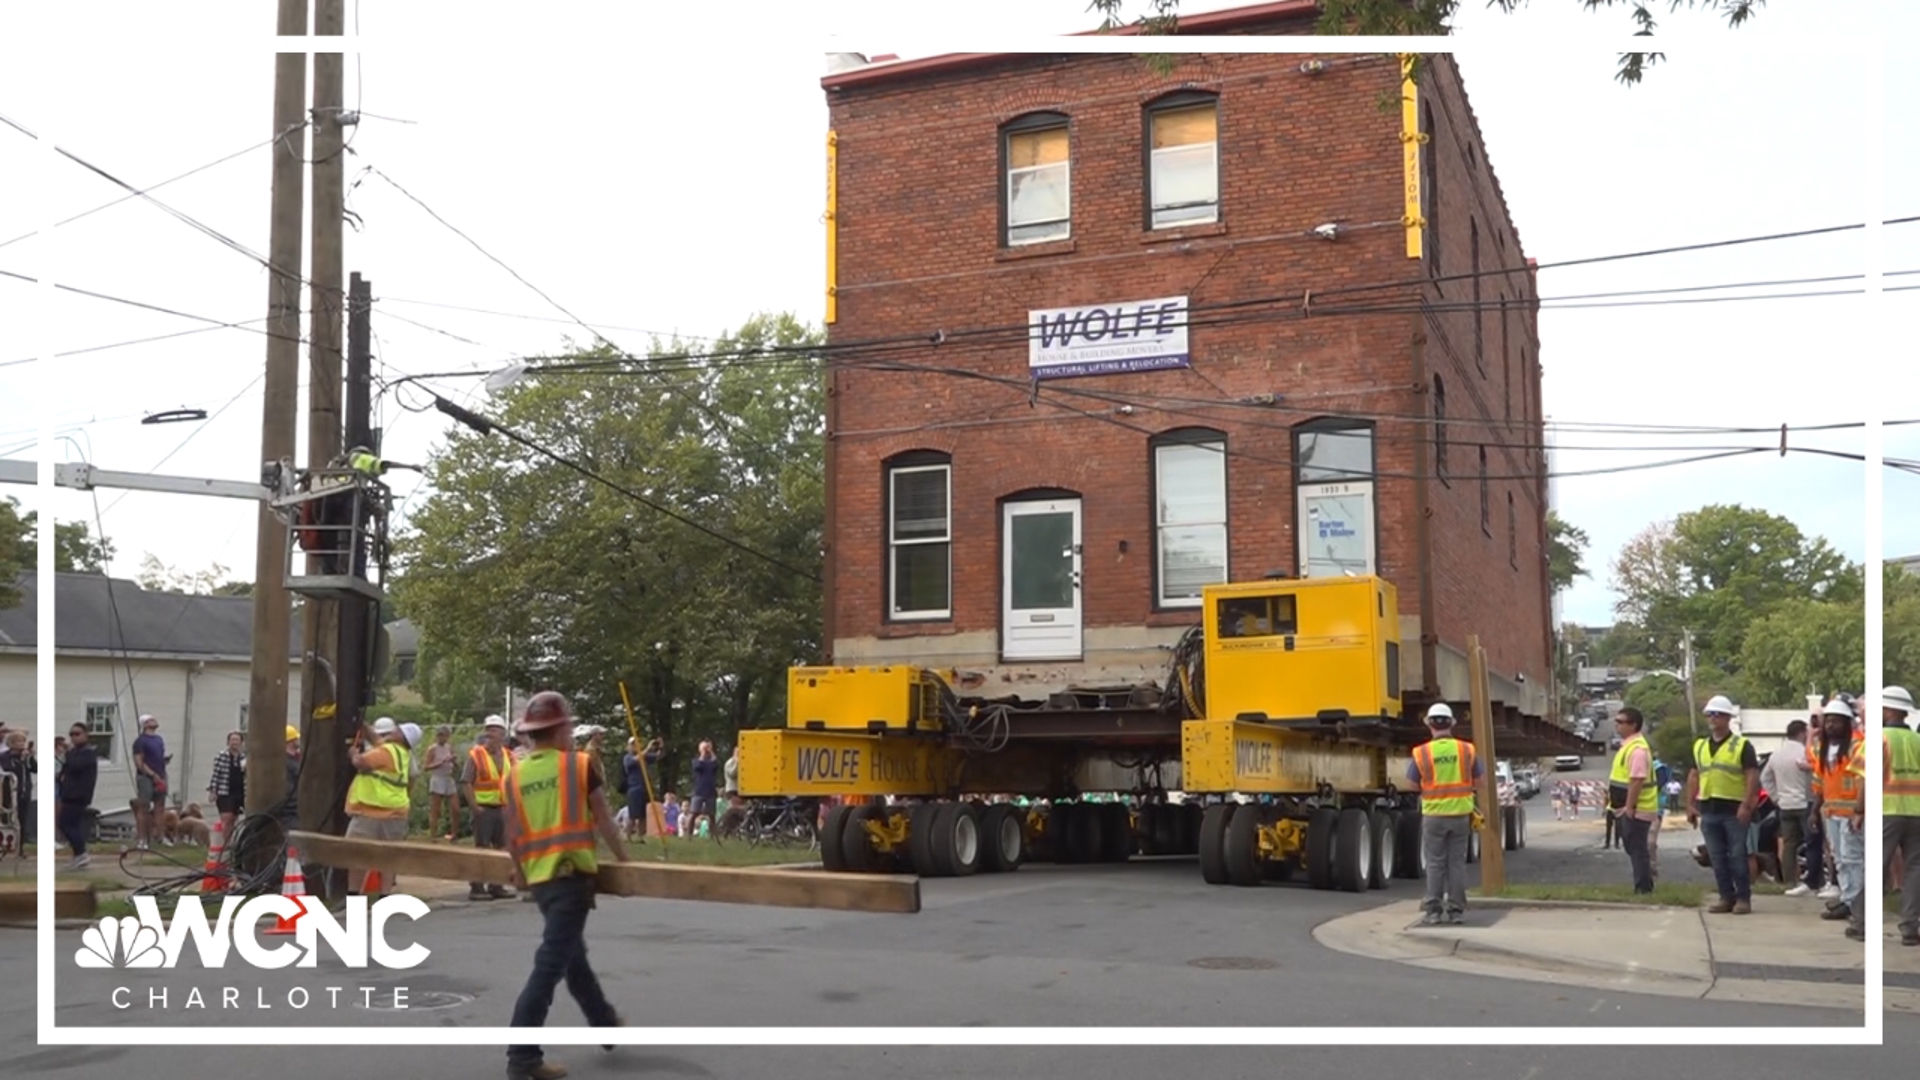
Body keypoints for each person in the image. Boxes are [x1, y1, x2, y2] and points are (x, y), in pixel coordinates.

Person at [502, 690, 630, 1080]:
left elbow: (512, 834)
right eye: (568, 727)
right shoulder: (580, 766)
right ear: (558, 730)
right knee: (550, 966)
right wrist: (627, 864)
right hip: (572, 878)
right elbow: (605, 819)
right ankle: (522, 1057)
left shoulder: (514, 773)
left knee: (573, 958)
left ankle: (604, 1023)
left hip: (541, 881)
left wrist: (521, 871)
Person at [1685, 694, 1759, 915]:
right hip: (1709, 808)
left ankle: (1743, 898)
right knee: (1717, 857)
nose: (1712, 718)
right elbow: (1693, 776)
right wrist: (1689, 804)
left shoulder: (1742, 745)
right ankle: (1726, 897)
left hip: (1733, 809)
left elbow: (1752, 775)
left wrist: (1747, 804)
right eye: (1710, 714)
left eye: (1717, 715)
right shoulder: (1699, 746)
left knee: (1737, 855)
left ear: (1728, 718)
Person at [1407, 703, 1481, 926]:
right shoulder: (1466, 750)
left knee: (1435, 863)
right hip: (1460, 815)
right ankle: (1456, 910)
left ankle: (1433, 912)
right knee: (1456, 863)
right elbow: (1481, 781)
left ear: (1430, 724)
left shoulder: (1421, 753)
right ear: (1452, 724)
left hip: (1434, 816)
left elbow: (1411, 784)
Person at [1809, 697, 1864, 928]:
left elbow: (1863, 779)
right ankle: (1848, 898)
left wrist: (1860, 810)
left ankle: (1856, 903)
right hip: (1831, 811)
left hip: (1853, 812)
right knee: (1839, 859)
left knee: (1854, 859)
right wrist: (1814, 811)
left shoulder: (1857, 745)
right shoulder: (1822, 748)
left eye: (1836, 721)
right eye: (1828, 721)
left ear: (1847, 723)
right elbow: (1820, 782)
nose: (1831, 725)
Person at [343, 717, 412, 896]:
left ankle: (353, 895)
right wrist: (363, 725)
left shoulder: (387, 751)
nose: (392, 732)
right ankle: (385, 895)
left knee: (356, 854)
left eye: (396, 730)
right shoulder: (401, 753)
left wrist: (353, 754)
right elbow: (376, 740)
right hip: (396, 812)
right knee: (388, 857)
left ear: (401, 737)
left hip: (372, 811)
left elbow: (361, 763)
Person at [460, 715, 517, 902]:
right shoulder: (476, 755)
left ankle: (496, 884)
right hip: (483, 809)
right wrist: (474, 807)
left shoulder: (509, 756)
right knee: (481, 848)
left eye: (494, 731)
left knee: (502, 848)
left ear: (502, 734)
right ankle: (477, 887)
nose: (489, 734)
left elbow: (515, 781)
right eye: (488, 730)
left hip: (503, 808)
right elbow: (466, 782)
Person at [1761, 718, 1817, 897]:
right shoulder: (1806, 753)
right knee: (1811, 842)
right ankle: (1814, 881)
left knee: (1789, 844)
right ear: (1802, 733)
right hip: (1805, 803)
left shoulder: (1776, 755)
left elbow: (1765, 778)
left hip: (1785, 805)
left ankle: (1789, 881)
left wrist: (1776, 797)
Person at [1883, 686, 1920, 946]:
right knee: (1914, 869)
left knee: (1875, 866)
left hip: (1886, 810)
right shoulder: (1917, 739)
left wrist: (1860, 810)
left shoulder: (1880, 738)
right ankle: (1909, 925)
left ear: (1890, 710)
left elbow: (1866, 778)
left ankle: (1862, 920)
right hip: (1916, 811)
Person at [1610, 707, 1659, 894]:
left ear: (1634, 725)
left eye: (1621, 722)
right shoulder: (1628, 746)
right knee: (1634, 848)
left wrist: (1629, 807)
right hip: (1628, 807)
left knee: (1638, 849)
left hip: (1637, 809)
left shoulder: (1637, 749)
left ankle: (1643, 888)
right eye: (1616, 721)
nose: (1617, 725)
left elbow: (1637, 780)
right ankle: (1644, 884)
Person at [57, 722, 98, 870]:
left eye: (77, 734)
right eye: (71, 734)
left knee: (67, 824)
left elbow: (75, 766)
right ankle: (77, 854)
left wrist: (65, 754)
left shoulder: (88, 753)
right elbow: (65, 771)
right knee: (68, 824)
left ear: (86, 735)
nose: (74, 737)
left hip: (79, 794)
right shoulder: (74, 752)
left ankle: (81, 853)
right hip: (69, 792)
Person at [129, 714, 170, 850]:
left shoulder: (159, 739)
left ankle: (160, 836)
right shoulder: (140, 741)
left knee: (160, 807)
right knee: (143, 807)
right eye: (150, 720)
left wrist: (163, 767)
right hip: (146, 777)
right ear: (145, 724)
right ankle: (142, 839)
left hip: (161, 775)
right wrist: (152, 774)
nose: (154, 721)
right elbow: (139, 762)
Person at [205, 730, 247, 838]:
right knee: (226, 818)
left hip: (240, 792)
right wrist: (213, 790)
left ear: (241, 742)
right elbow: (216, 774)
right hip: (225, 791)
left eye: (237, 740)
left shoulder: (244, 758)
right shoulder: (222, 756)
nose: (235, 742)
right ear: (228, 742)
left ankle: (231, 841)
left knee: (234, 818)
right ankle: (224, 843)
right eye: (232, 740)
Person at [424, 725, 458, 843]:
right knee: (436, 809)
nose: (443, 738)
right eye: (441, 736)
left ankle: (454, 834)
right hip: (438, 778)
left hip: (448, 777)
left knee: (455, 808)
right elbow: (426, 767)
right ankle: (433, 834)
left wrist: (454, 761)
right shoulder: (432, 749)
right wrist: (441, 762)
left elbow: (455, 763)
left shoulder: (449, 748)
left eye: (445, 736)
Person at [0, 730, 33, 852]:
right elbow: (8, 768)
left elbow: (35, 768)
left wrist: (29, 758)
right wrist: (18, 759)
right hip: (10, 791)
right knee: (7, 818)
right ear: (12, 742)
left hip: (25, 791)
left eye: (23, 741)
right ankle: (6, 844)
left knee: (23, 819)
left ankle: (21, 847)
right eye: (19, 741)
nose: (22, 744)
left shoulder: (25, 757)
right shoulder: (5, 756)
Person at [690, 740, 720, 835]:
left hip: (710, 792)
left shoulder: (712, 762)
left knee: (711, 815)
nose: (706, 751)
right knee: (694, 813)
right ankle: (689, 834)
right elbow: (697, 767)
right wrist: (702, 753)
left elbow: (716, 764)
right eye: (704, 748)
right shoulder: (696, 761)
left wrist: (711, 751)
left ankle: (713, 835)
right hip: (699, 791)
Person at [621, 738, 649, 841]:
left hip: (644, 787)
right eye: (632, 744)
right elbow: (636, 759)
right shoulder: (627, 758)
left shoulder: (643, 757)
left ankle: (640, 836)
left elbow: (658, 756)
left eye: (636, 744)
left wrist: (660, 747)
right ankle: (627, 835)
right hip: (634, 788)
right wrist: (648, 748)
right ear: (628, 746)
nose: (635, 746)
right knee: (633, 815)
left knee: (643, 816)